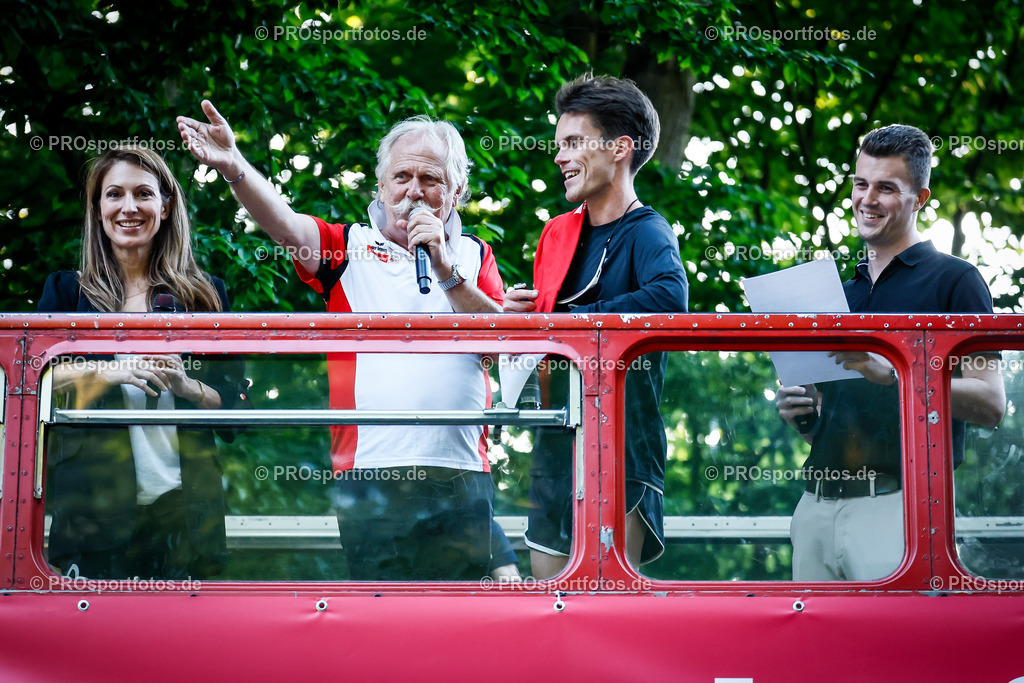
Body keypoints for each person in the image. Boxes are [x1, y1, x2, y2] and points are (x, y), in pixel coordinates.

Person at [177, 101, 519, 581]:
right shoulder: (347, 246)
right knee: (381, 624)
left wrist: (445, 269)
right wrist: (235, 167)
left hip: (459, 470)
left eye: (431, 179)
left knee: (460, 628)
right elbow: (285, 224)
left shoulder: (474, 255)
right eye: (401, 177)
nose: (413, 192)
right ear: (380, 186)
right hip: (370, 474)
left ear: (457, 191)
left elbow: (501, 344)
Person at [776, 124, 1006, 581]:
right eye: (861, 184)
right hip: (814, 510)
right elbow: (842, 422)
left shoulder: (956, 281)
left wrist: (898, 373)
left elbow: (991, 403)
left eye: (886, 187)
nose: (868, 199)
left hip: (898, 510)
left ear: (919, 198)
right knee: (814, 654)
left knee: (894, 651)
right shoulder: (838, 294)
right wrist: (802, 415)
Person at [504, 74, 689, 578]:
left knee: (608, 610)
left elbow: (670, 297)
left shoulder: (648, 230)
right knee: (549, 611)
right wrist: (519, 316)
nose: (559, 157)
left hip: (621, 452)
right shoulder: (556, 234)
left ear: (620, 148)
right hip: (553, 449)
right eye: (557, 145)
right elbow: (545, 335)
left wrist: (566, 321)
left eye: (572, 143)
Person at [38, 146, 247, 580]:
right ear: (98, 210)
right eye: (114, 194)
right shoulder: (65, 294)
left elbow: (236, 413)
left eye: (143, 194)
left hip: (187, 517)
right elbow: (33, 383)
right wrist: (106, 371)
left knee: (183, 646)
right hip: (93, 519)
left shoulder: (205, 296)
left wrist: (187, 386)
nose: (128, 207)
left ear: (166, 207)